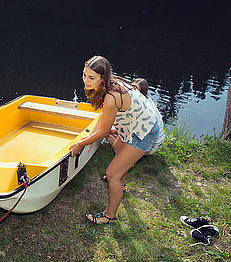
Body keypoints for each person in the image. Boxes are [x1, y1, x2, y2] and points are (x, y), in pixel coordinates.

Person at [70, 56, 164, 224]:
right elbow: (103, 117)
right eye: (84, 75)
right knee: (119, 151)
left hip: (144, 131)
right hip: (137, 124)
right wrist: (91, 134)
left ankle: (109, 216)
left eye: (91, 78)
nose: (86, 80)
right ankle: (121, 185)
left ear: (102, 77)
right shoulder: (112, 82)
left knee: (112, 174)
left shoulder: (111, 98)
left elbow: (104, 130)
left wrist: (80, 144)